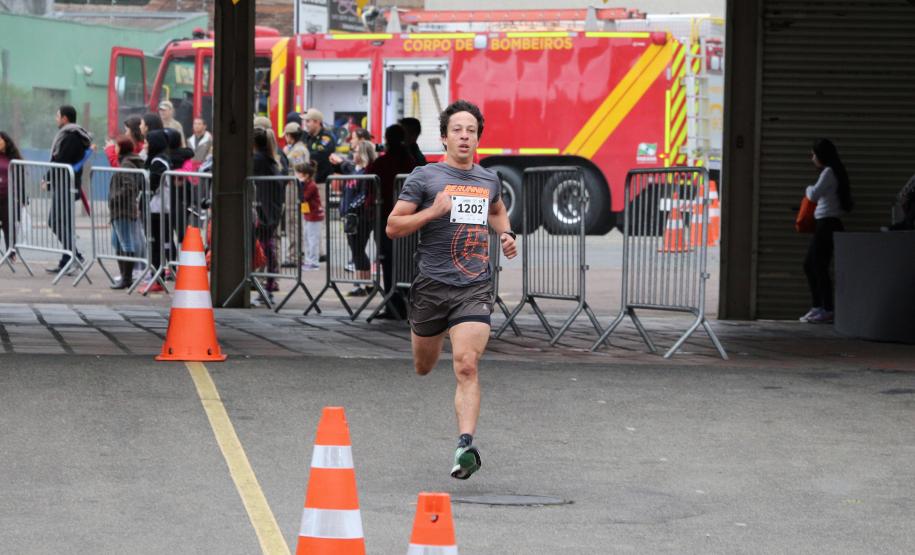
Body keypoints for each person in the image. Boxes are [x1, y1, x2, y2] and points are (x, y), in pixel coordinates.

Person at [386, 100, 517, 479]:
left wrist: (505, 234)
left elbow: (496, 211)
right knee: (424, 367)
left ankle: (465, 445)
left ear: (478, 138)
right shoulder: (425, 178)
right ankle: (434, 336)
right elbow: (394, 227)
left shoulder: (488, 179)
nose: (464, 136)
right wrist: (431, 212)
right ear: (444, 137)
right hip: (431, 287)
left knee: (466, 364)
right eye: (457, 129)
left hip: (473, 287)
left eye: (471, 131)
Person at [365, 124, 418, 318]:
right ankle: (405, 302)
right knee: (406, 261)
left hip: (387, 218)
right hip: (409, 219)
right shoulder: (411, 161)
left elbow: (368, 181)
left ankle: (392, 304)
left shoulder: (382, 163)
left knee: (388, 262)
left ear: (387, 138)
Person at [800, 138, 853, 324]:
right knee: (815, 266)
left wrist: (807, 188)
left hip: (827, 225)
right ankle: (819, 307)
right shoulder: (833, 171)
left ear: (822, 155)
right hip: (826, 224)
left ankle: (826, 309)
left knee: (815, 266)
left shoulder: (829, 172)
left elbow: (813, 194)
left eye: (814, 154)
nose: (812, 158)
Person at [46, 105, 92, 275]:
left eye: (57, 115)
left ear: (65, 118)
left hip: (66, 185)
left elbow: (61, 161)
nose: (56, 118)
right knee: (63, 223)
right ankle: (66, 260)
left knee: (55, 222)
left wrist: (47, 177)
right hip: (64, 184)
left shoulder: (72, 136)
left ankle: (75, 256)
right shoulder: (69, 134)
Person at [108, 135, 145, 290]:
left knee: (126, 243)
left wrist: (115, 198)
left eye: (116, 146)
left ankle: (127, 278)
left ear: (122, 147)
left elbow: (130, 186)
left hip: (123, 209)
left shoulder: (127, 164)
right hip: (121, 209)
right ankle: (124, 277)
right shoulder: (128, 161)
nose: (115, 149)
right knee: (117, 242)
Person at [253, 127, 285, 296]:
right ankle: (269, 282)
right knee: (267, 246)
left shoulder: (258, 160)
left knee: (265, 247)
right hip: (271, 207)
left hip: (265, 209)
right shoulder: (269, 159)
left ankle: (268, 282)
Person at [144, 129, 171, 293]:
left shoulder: (159, 162)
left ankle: (157, 277)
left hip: (158, 208)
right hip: (157, 207)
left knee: (155, 244)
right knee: (155, 243)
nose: (145, 145)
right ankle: (155, 276)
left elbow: (152, 184)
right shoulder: (157, 159)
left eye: (147, 142)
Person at [295, 161, 324, 271]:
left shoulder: (311, 185)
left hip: (314, 215)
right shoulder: (307, 184)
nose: (297, 175)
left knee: (313, 239)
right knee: (307, 238)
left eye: (299, 173)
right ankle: (308, 260)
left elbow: (304, 197)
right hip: (308, 214)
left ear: (306, 175)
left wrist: (301, 184)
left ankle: (314, 262)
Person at [0, 131, 23, 255]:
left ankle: (11, 251)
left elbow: (20, 178)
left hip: (8, 197)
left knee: (8, 225)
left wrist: (22, 197)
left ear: (6, 142)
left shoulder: (13, 158)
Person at [303, 108, 336, 184]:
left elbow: (320, 155)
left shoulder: (326, 137)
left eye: (308, 121)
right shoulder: (307, 137)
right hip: (310, 181)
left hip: (322, 182)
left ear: (317, 122)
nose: (305, 124)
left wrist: (303, 155)